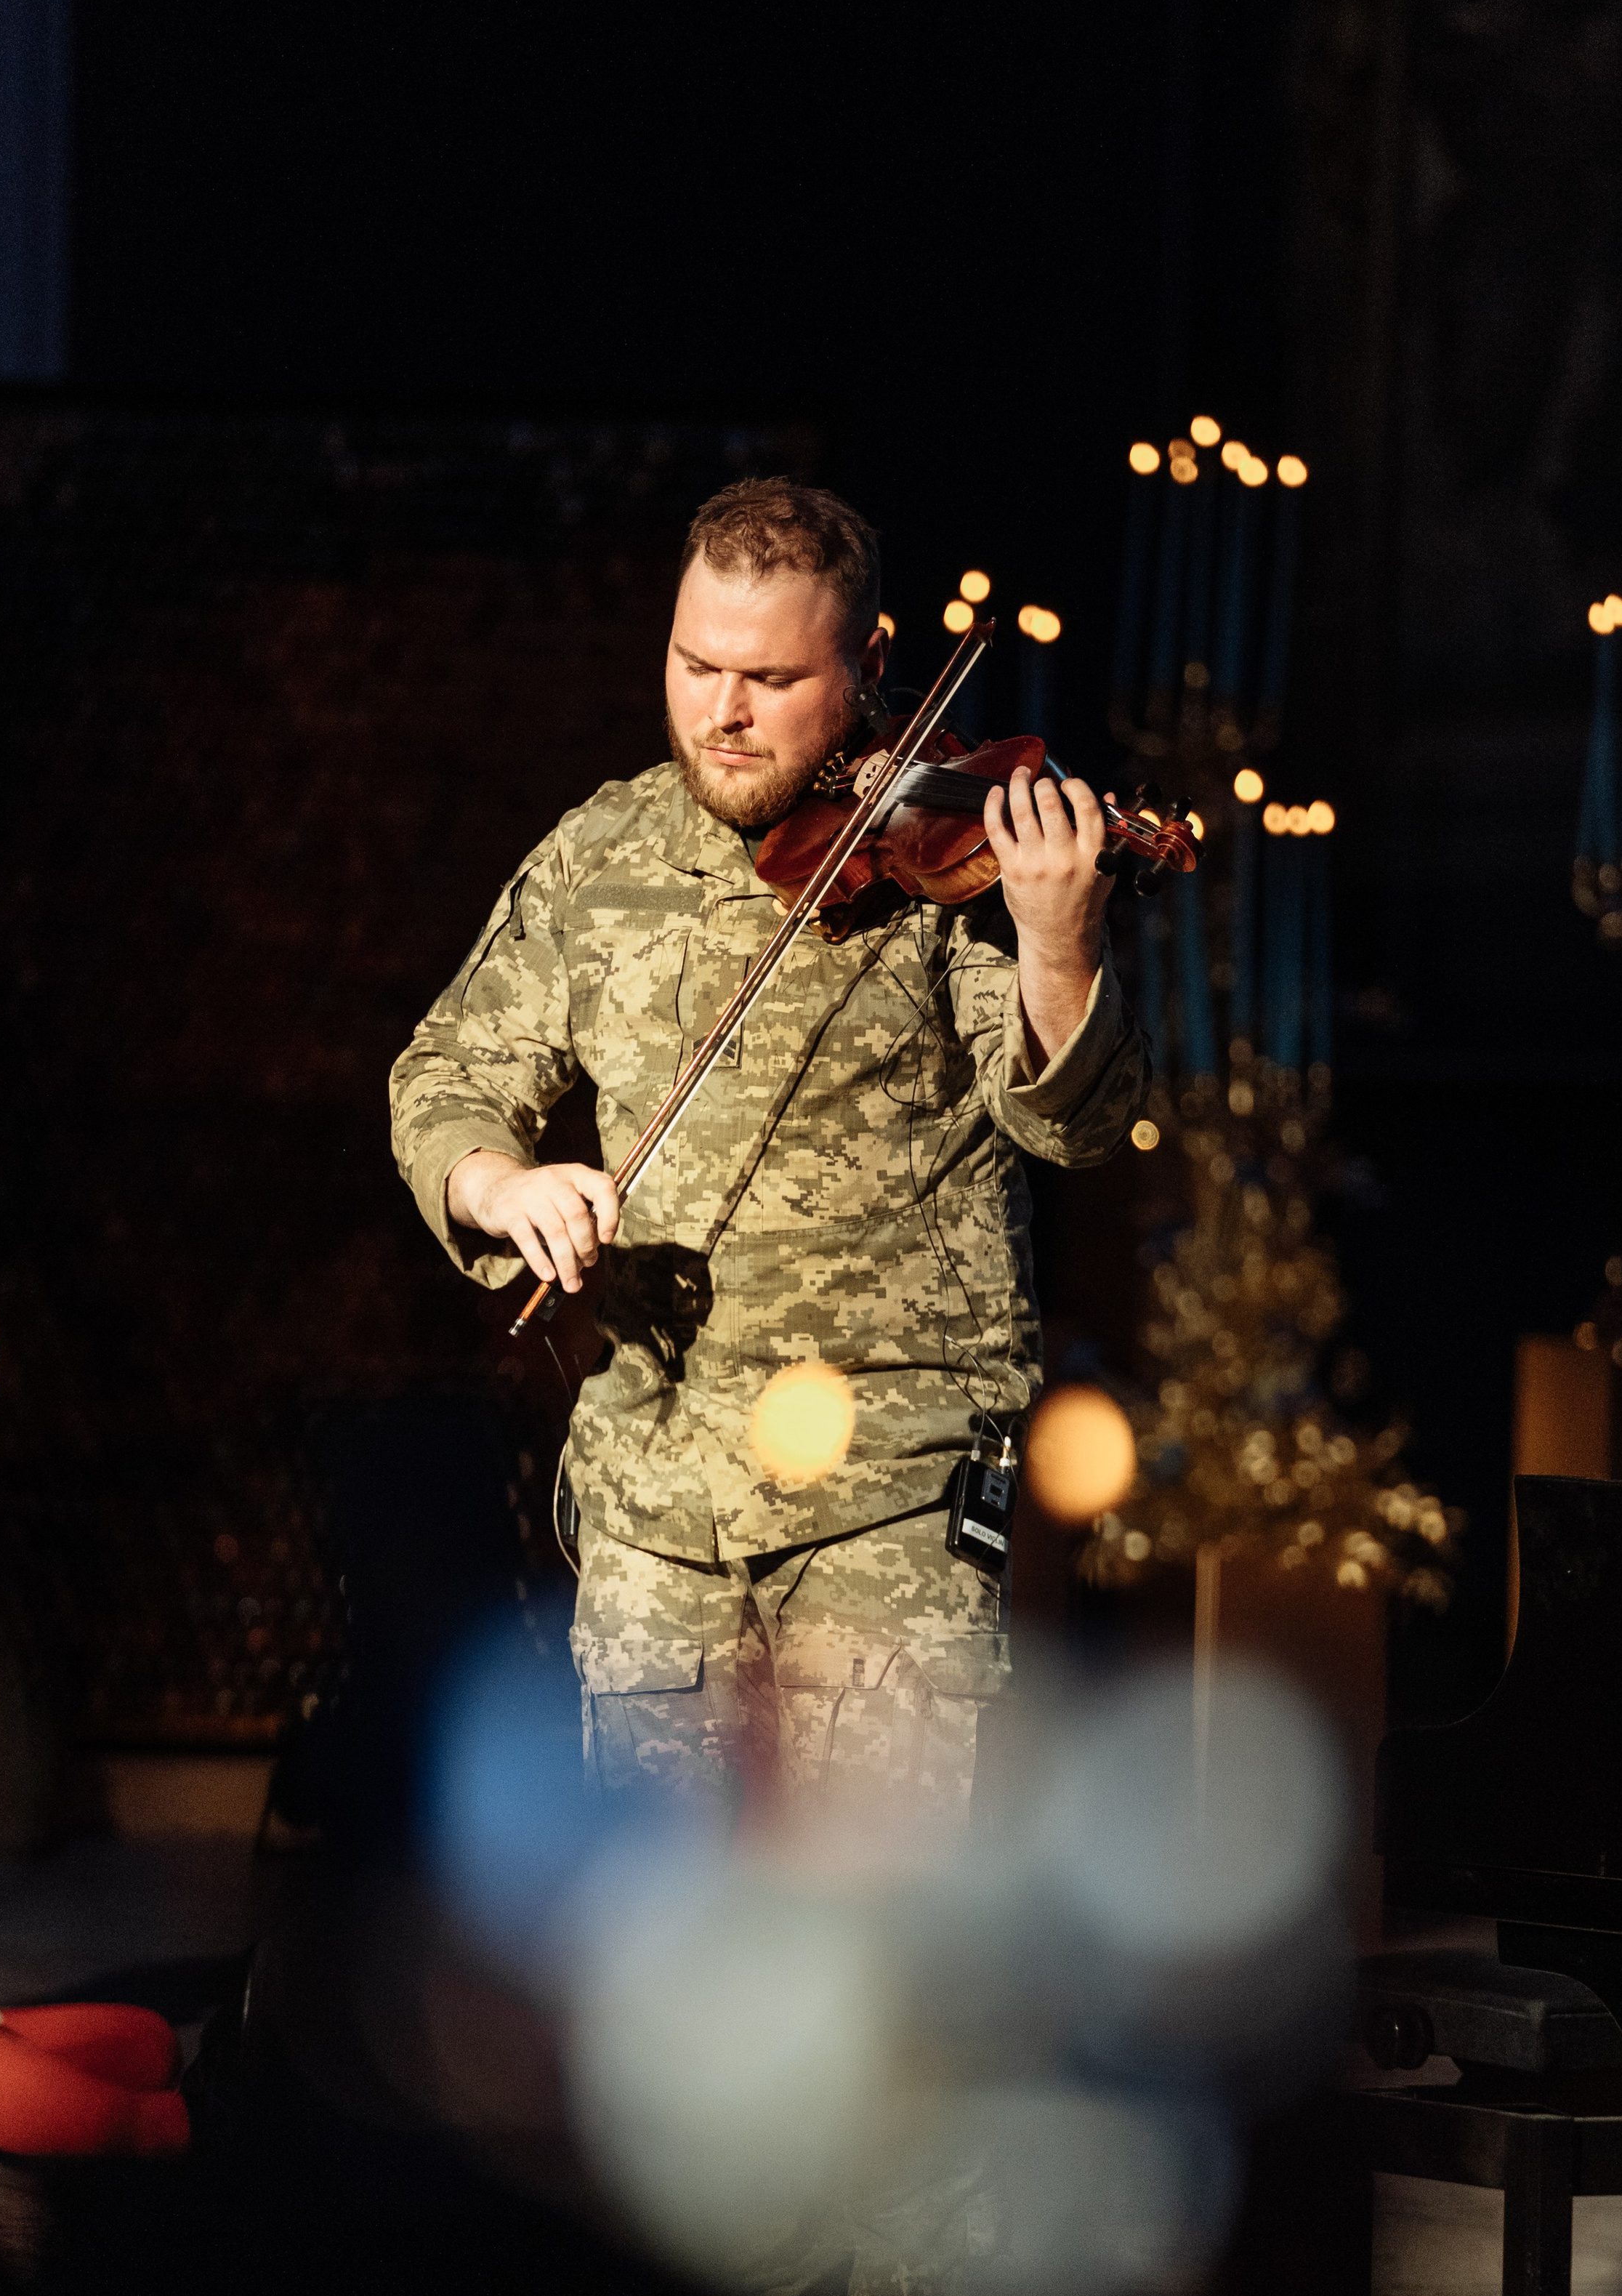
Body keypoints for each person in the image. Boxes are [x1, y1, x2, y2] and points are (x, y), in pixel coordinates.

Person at [390, 477, 1148, 1866]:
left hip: (894, 1494)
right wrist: (502, 1185)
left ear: (867, 666)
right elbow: (444, 1076)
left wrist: (1059, 943)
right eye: (695, 666)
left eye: (770, 678)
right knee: (648, 1946)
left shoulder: (954, 855)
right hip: (653, 1500)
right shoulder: (600, 855)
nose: (721, 713)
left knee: (880, 1949)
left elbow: (1074, 1128)